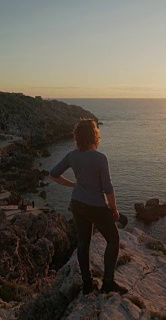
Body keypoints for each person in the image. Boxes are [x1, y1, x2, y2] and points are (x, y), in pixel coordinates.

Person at [50, 119, 127, 295]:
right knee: (113, 240)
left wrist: (73, 185)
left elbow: (53, 174)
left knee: (84, 243)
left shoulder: (72, 155)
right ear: (95, 136)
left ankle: (87, 283)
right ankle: (108, 283)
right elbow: (107, 188)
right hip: (96, 207)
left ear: (77, 137)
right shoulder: (100, 158)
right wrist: (114, 209)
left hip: (77, 204)